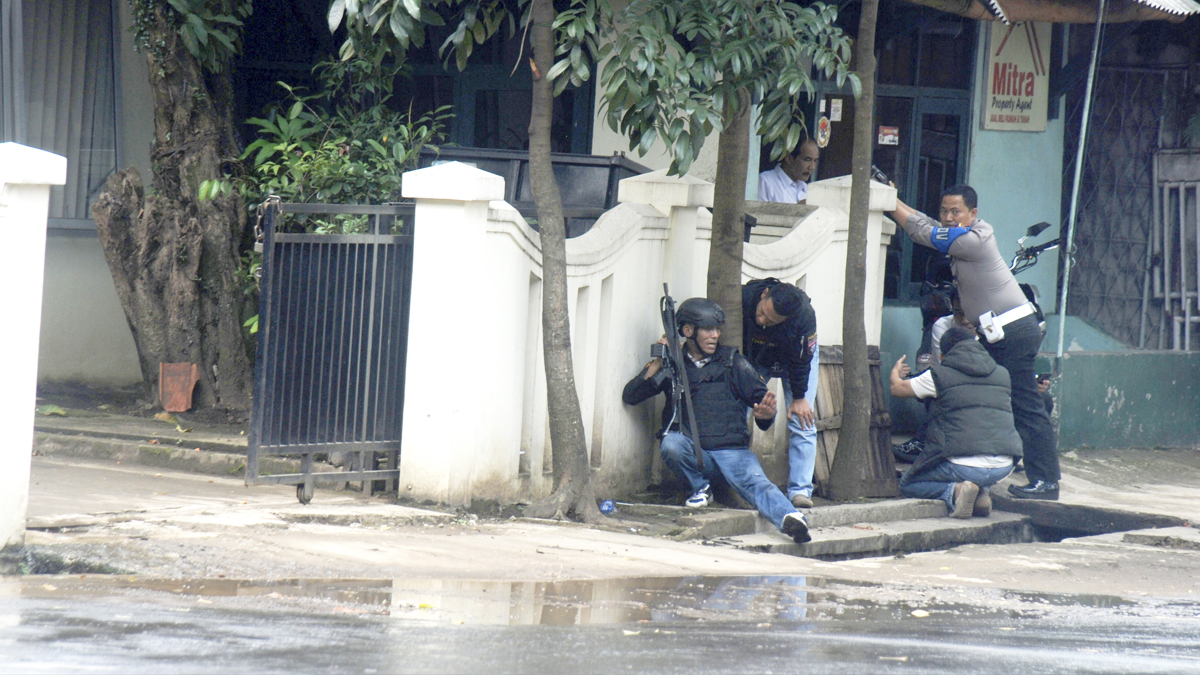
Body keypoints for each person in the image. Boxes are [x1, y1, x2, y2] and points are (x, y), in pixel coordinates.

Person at [891, 184, 1060, 500]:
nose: (949, 217)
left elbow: (924, 233)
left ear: (973, 214)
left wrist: (890, 204)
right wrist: (897, 199)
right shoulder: (964, 234)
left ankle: (1046, 481)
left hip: (1012, 332)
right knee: (968, 388)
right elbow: (927, 223)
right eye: (945, 211)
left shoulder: (972, 239)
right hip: (997, 333)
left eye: (956, 211)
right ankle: (963, 462)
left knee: (1025, 405)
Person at [622, 297, 812, 544]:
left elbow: (762, 407)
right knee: (671, 443)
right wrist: (660, 361)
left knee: (759, 485)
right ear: (688, 331)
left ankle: (790, 518)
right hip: (698, 457)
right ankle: (700, 488)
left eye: (717, 330)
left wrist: (765, 415)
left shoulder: (735, 363)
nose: (714, 335)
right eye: (708, 329)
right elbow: (631, 395)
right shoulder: (675, 366)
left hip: (733, 455)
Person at [889, 327, 1022, 518]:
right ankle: (982, 494)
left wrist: (896, 372)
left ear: (942, 355)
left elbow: (897, 389)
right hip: (1004, 466)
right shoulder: (1002, 374)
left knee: (909, 484)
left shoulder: (939, 374)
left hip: (961, 464)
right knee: (979, 466)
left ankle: (957, 491)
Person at [741, 279, 819, 508]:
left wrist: (799, 396)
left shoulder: (804, 316)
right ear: (764, 294)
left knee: (803, 419)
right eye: (762, 312)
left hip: (796, 359)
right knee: (738, 410)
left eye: (771, 320)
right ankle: (735, 479)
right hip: (757, 356)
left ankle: (800, 490)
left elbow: (803, 360)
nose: (762, 320)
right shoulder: (745, 296)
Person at [758, 139, 820, 204]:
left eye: (815, 160)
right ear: (789, 158)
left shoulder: (805, 187)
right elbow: (757, 213)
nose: (812, 167)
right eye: (807, 160)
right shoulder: (766, 182)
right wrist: (798, 209)